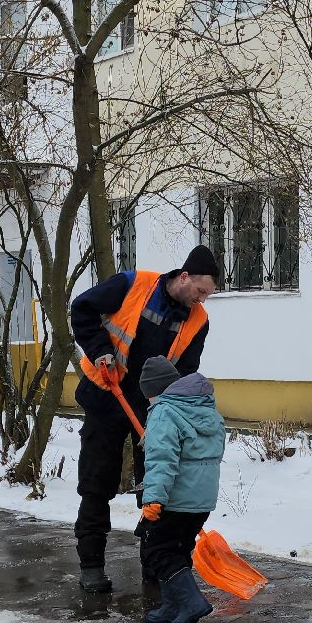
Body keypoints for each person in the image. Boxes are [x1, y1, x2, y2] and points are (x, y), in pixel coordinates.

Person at [69, 246, 219, 593]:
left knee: (155, 492)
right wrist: (100, 350)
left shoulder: (198, 321)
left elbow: (185, 370)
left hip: (153, 412)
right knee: (96, 484)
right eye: (200, 292)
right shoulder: (133, 284)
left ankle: (155, 570)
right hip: (106, 396)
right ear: (184, 277)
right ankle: (92, 567)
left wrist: (166, 412)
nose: (201, 301)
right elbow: (82, 309)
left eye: (207, 296)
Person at [133, 357, 223, 623]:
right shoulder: (206, 409)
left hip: (175, 499)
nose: (149, 403)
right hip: (201, 501)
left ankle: (191, 603)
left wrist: (152, 499)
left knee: (157, 551)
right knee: (179, 549)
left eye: (148, 397)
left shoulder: (164, 412)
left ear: (155, 391)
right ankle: (171, 606)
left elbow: (162, 460)